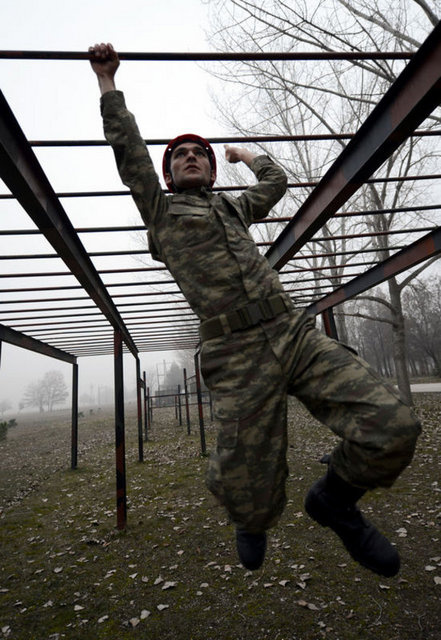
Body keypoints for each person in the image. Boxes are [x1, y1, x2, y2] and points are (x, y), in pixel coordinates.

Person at [89, 43, 421, 577]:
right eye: (180, 155)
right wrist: (107, 83)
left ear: (214, 173)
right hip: (235, 353)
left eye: (200, 152)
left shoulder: (233, 207)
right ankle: (250, 516)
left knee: (395, 424)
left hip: (293, 332)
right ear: (169, 177)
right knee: (252, 491)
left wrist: (249, 156)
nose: (191, 155)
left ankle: (334, 500)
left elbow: (277, 184)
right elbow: (128, 151)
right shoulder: (162, 214)